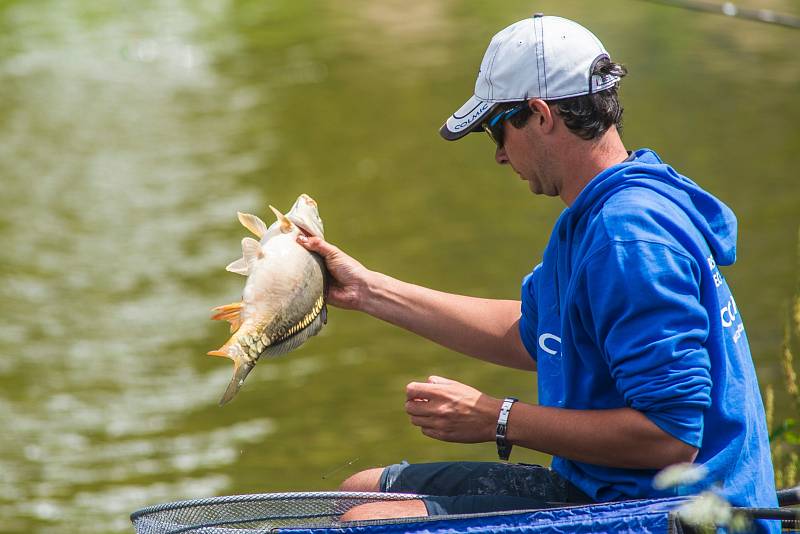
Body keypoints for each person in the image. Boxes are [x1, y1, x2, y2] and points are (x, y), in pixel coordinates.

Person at [297, 13, 778, 527]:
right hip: (608, 485)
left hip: (680, 513)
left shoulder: (629, 235)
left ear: (541, 114)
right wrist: (369, 290)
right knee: (355, 495)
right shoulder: (599, 212)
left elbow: (670, 437)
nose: (499, 154)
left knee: (366, 524)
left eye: (495, 130)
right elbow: (535, 336)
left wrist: (497, 418)